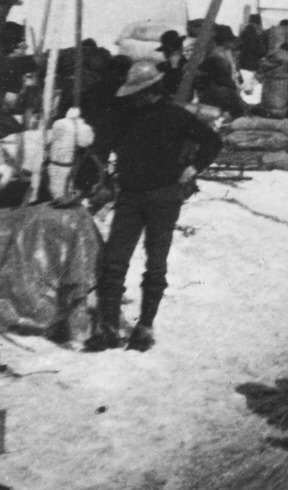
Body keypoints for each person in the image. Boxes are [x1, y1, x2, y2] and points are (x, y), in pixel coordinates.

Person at [83, 58, 223, 352]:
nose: (133, 99)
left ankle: (145, 327)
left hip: (164, 197)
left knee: (155, 263)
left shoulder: (175, 115)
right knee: (114, 260)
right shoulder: (125, 115)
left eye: (137, 93)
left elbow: (212, 141)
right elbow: (101, 144)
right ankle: (108, 326)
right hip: (130, 196)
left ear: (149, 91)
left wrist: (194, 167)